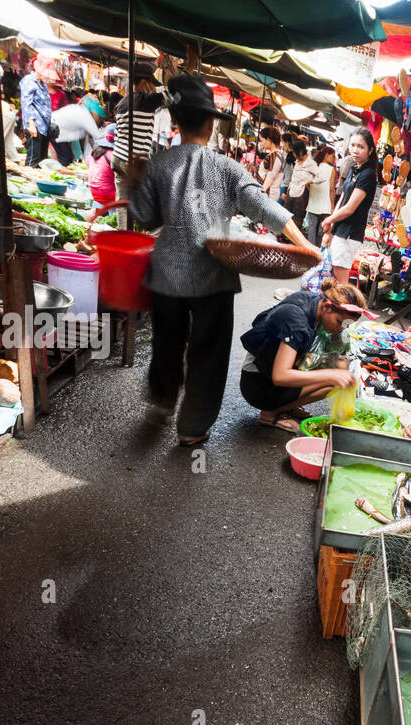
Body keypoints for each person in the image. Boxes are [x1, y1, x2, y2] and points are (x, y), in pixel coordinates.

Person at [128, 74, 321, 447]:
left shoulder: (158, 164)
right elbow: (267, 209)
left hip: (166, 274)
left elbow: (146, 217)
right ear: (211, 122)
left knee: (167, 343)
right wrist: (307, 247)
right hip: (212, 276)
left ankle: (163, 400)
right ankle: (193, 426)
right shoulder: (227, 168)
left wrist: (134, 182)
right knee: (208, 353)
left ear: (177, 120)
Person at [239, 279, 372, 433]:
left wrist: (339, 369)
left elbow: (338, 358)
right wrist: (331, 375)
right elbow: (280, 376)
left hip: (269, 368)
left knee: (340, 373)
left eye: (347, 325)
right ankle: (270, 413)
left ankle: (286, 405)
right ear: (328, 307)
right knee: (333, 381)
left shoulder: (318, 304)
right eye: (340, 322)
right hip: (256, 384)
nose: (342, 329)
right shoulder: (295, 319)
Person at [321, 125, 378, 285]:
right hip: (340, 230)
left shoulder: (368, 175)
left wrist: (329, 220)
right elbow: (343, 199)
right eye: (352, 145)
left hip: (350, 233)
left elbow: (350, 208)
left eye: (361, 146)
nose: (355, 150)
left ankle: (344, 309)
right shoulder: (354, 168)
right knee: (332, 280)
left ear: (370, 150)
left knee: (341, 284)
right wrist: (332, 223)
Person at [112, 61, 162, 228]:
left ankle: (123, 237)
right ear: (143, 82)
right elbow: (177, 97)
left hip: (118, 158)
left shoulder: (122, 103)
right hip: (132, 160)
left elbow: (118, 134)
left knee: (122, 203)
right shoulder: (147, 100)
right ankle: (134, 241)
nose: (153, 88)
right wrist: (189, 67)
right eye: (151, 84)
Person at [19, 54, 55, 168]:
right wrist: (31, 124)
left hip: (44, 127)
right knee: (33, 160)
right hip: (35, 126)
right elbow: (26, 103)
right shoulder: (29, 81)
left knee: (42, 161)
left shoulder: (42, 84)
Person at [49, 93, 103, 165]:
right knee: (66, 157)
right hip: (56, 130)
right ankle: (61, 173)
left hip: (55, 128)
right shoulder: (85, 115)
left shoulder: (78, 109)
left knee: (67, 156)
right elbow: (97, 136)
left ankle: (62, 171)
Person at [305, 144, 334, 247]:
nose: (334, 159)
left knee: (312, 228)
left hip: (313, 201)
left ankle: (310, 250)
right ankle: (320, 249)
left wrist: (312, 190)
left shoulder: (315, 166)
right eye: (333, 156)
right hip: (325, 204)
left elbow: (307, 183)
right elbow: (331, 189)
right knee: (323, 228)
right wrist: (333, 205)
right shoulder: (331, 169)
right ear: (326, 155)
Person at [85, 124, 115, 204]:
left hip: (94, 192)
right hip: (108, 196)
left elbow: (88, 165)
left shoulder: (95, 152)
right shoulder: (113, 155)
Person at [286, 138, 314, 218]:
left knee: (296, 218)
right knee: (288, 217)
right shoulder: (298, 161)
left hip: (301, 194)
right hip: (293, 192)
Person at [257, 125, 283, 200]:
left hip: (268, 195)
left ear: (268, 140)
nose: (261, 144)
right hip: (268, 194)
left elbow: (271, 176)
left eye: (262, 140)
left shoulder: (275, 155)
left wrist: (260, 193)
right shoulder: (276, 154)